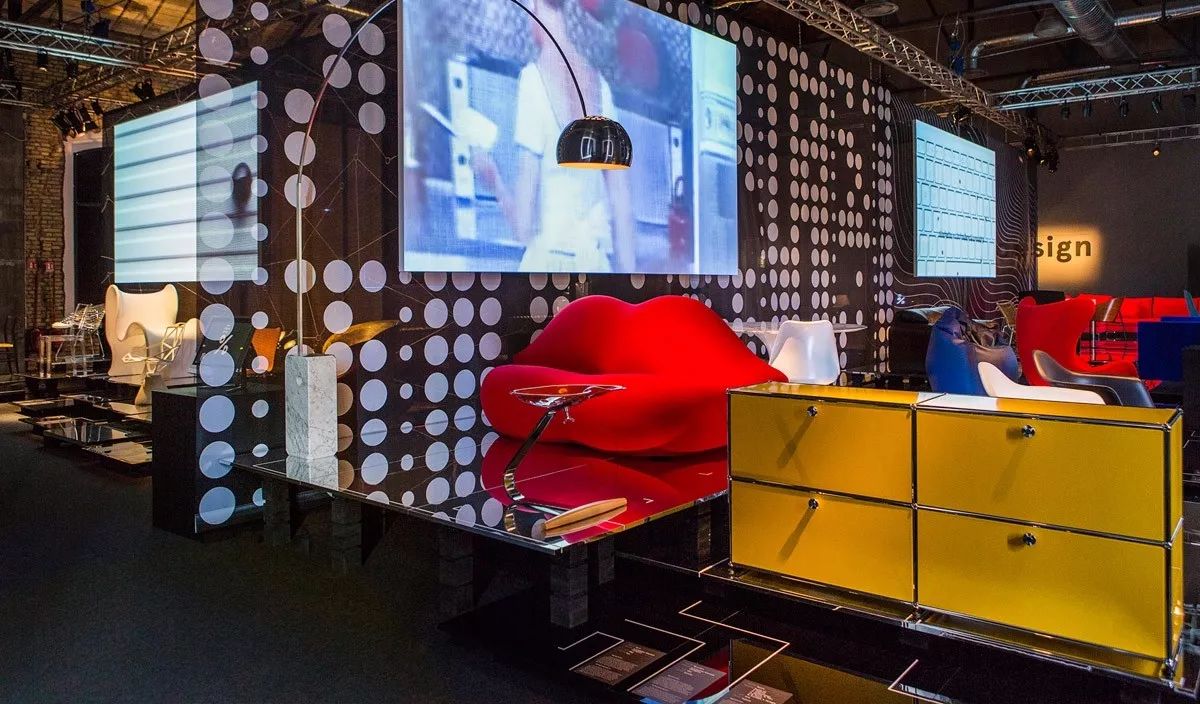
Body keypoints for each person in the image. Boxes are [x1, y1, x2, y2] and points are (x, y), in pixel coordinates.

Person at [473, 0, 636, 273]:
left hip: (548, 270)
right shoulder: (600, 87)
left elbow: (523, 227)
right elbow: (622, 207)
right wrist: (630, 286)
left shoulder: (533, 81)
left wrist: (494, 182)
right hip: (597, 266)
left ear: (534, 7)